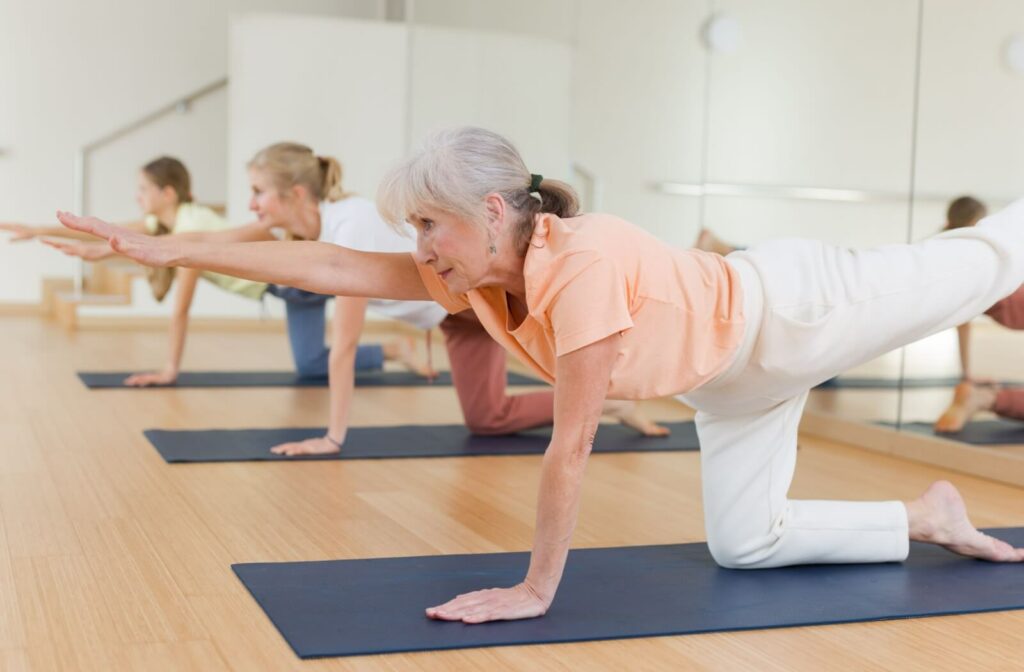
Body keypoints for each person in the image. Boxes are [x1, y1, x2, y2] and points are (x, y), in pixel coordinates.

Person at [56, 126, 1024, 625]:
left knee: (981, 262)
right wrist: (161, 251)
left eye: (429, 225)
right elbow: (330, 268)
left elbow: (570, 449)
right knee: (747, 545)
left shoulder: (582, 262)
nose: (419, 247)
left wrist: (534, 589)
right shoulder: (475, 276)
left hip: (794, 310)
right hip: (731, 385)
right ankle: (922, 518)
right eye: (413, 232)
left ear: (488, 208)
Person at [4, 156, 423, 387]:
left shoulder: (191, 228)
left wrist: (170, 368)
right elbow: (119, 233)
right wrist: (37, 228)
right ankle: (394, 351)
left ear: (166, 193)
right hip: (280, 288)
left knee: (315, 362)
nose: (137, 198)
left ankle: (394, 349)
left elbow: (181, 308)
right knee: (311, 363)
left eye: (143, 190)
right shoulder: (173, 220)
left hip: (294, 285)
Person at [928, 196, 1024, 432]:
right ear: (975, 222)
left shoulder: (941, 250)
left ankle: (981, 398)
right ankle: (981, 398)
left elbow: (962, 321)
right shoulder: (971, 254)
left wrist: (966, 374)